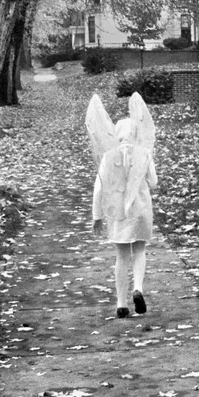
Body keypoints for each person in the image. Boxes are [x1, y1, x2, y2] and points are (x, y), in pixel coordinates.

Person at [85, 92, 157, 319]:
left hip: (118, 211)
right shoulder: (144, 153)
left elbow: (99, 187)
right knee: (140, 250)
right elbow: (153, 183)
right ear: (136, 134)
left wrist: (97, 215)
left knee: (121, 256)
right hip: (141, 208)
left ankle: (121, 303)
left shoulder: (108, 156)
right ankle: (139, 287)